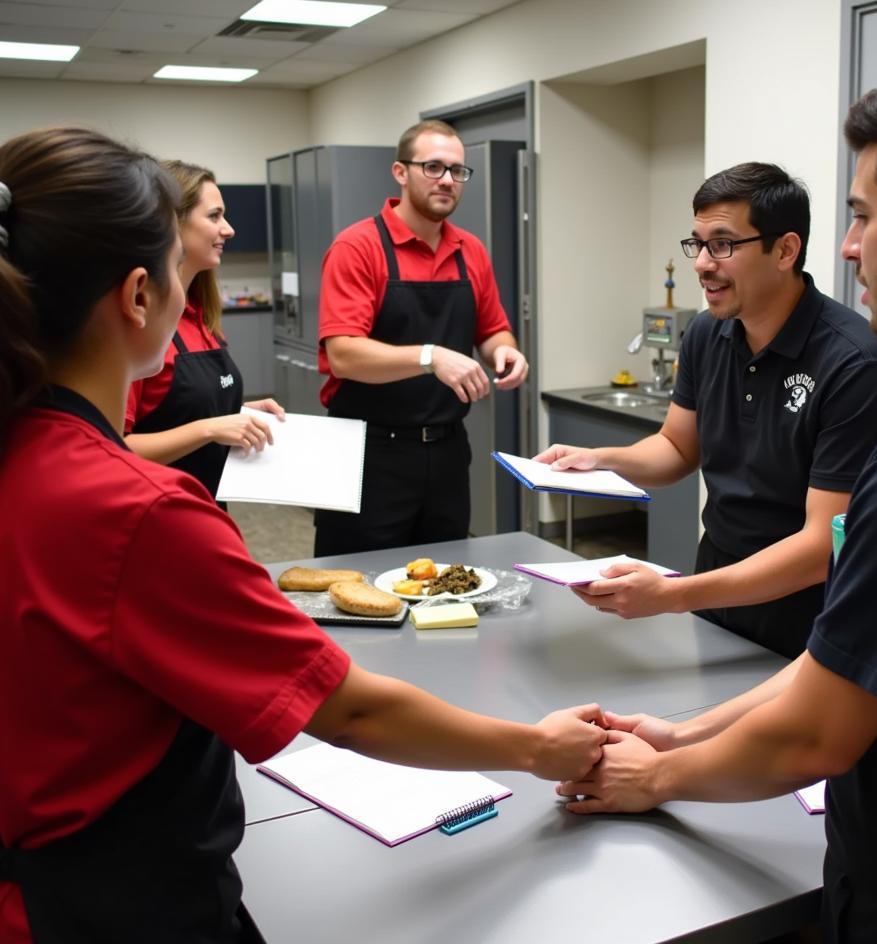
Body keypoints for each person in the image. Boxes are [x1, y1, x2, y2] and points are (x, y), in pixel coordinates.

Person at [0, 127, 605, 943]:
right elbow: (347, 712)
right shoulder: (141, 512)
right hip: (118, 897)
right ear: (140, 296)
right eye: (182, 264)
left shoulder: (26, 451)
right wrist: (538, 748)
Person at [556, 60, 877, 942]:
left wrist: (653, 777)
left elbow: (818, 734)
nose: (851, 246)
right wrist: (684, 735)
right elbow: (836, 673)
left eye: (860, 215)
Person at [535, 162, 877, 658]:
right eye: (698, 243)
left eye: (723, 244)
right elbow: (676, 447)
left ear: (786, 250)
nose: (702, 263)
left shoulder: (857, 366)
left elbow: (821, 545)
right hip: (717, 576)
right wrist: (601, 459)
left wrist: (671, 594)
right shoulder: (709, 334)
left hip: (804, 606)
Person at [314, 119, 528, 557]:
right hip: (367, 453)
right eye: (433, 167)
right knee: (358, 586)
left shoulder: (471, 250)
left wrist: (505, 351)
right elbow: (344, 355)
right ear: (400, 172)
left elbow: (492, 329)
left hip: (446, 452)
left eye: (457, 171)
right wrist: (431, 357)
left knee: (443, 581)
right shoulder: (357, 247)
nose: (447, 180)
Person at [123, 160, 285, 500]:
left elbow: (182, 410)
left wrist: (236, 415)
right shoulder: (139, 325)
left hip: (207, 507)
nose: (228, 229)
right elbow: (114, 448)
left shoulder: (199, 315)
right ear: (173, 224)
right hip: (157, 514)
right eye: (214, 216)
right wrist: (210, 427)